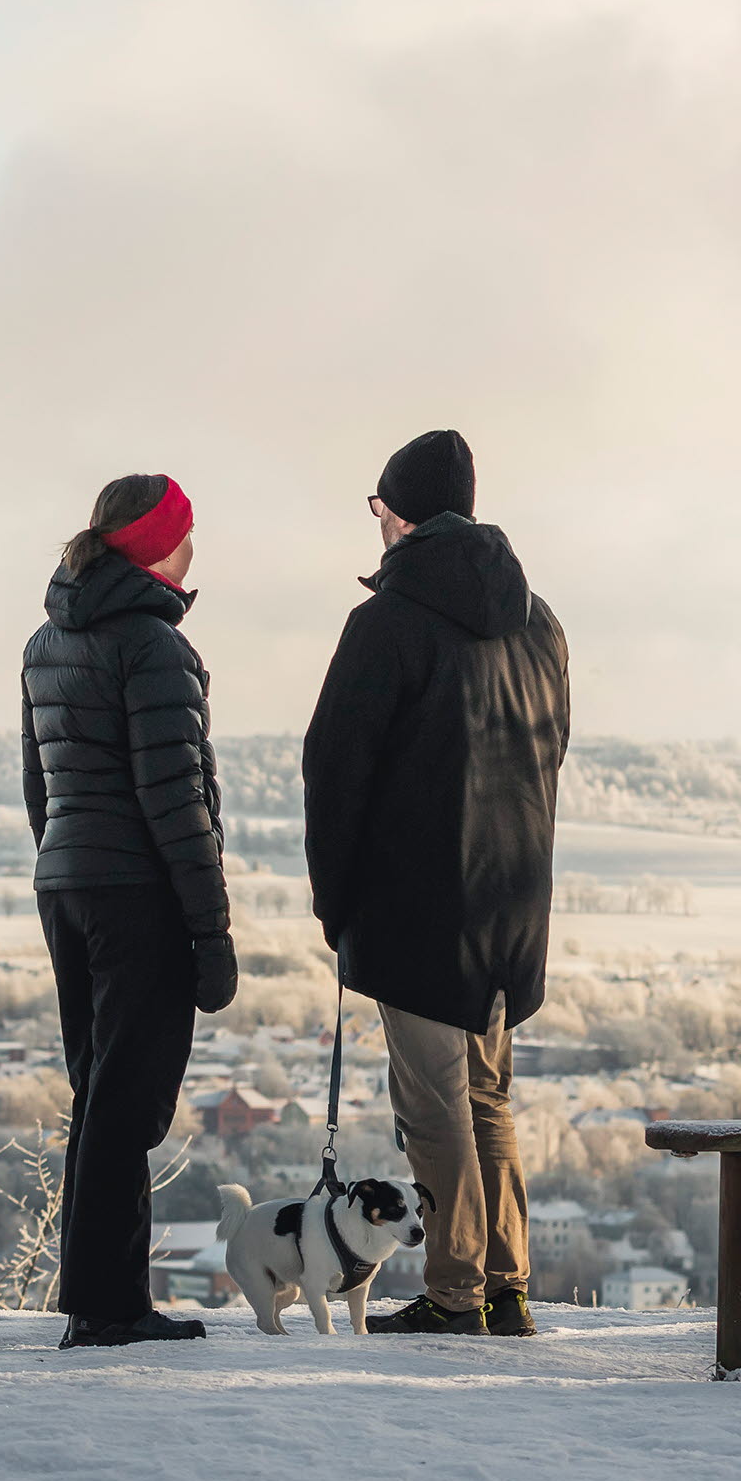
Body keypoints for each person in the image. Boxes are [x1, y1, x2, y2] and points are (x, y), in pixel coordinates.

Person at [304, 429, 571, 1337]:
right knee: (488, 1098)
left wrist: (335, 903)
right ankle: (507, 1286)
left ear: (400, 512)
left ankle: (456, 1295)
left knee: (433, 1106)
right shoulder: (539, 624)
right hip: (510, 906)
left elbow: (335, 771)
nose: (374, 522)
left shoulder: (387, 623)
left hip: (417, 907)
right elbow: (552, 755)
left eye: (376, 506)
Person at [26, 473, 237, 1349]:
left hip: (67, 883)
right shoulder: (152, 647)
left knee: (99, 1094)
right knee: (127, 1103)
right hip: (135, 894)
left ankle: (95, 1300)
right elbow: (175, 804)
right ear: (159, 548)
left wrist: (68, 861)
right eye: (187, 535)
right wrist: (210, 930)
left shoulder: (47, 639)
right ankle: (109, 1308)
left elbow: (40, 788)